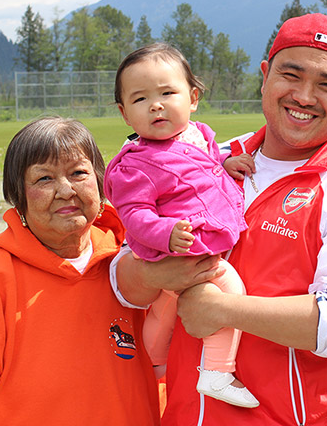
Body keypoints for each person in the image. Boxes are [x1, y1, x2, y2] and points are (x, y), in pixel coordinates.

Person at [112, 13, 327, 425]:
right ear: (266, 75)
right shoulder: (198, 158)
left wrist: (225, 310)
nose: (304, 96)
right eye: (291, 74)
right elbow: (121, 280)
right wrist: (153, 276)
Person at [0, 117, 166, 425]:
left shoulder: (136, 266)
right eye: (44, 179)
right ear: (18, 196)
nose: (66, 190)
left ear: (102, 184)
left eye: (79, 173)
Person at [103, 43, 259, 408]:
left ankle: (153, 364)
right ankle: (218, 371)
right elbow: (135, 216)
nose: (156, 105)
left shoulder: (199, 135)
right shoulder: (135, 166)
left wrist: (226, 163)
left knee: (165, 307)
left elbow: (205, 163)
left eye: (167, 93)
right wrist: (166, 234)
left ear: (192, 98)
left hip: (197, 239)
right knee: (230, 290)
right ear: (125, 114)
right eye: (141, 99)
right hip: (180, 248)